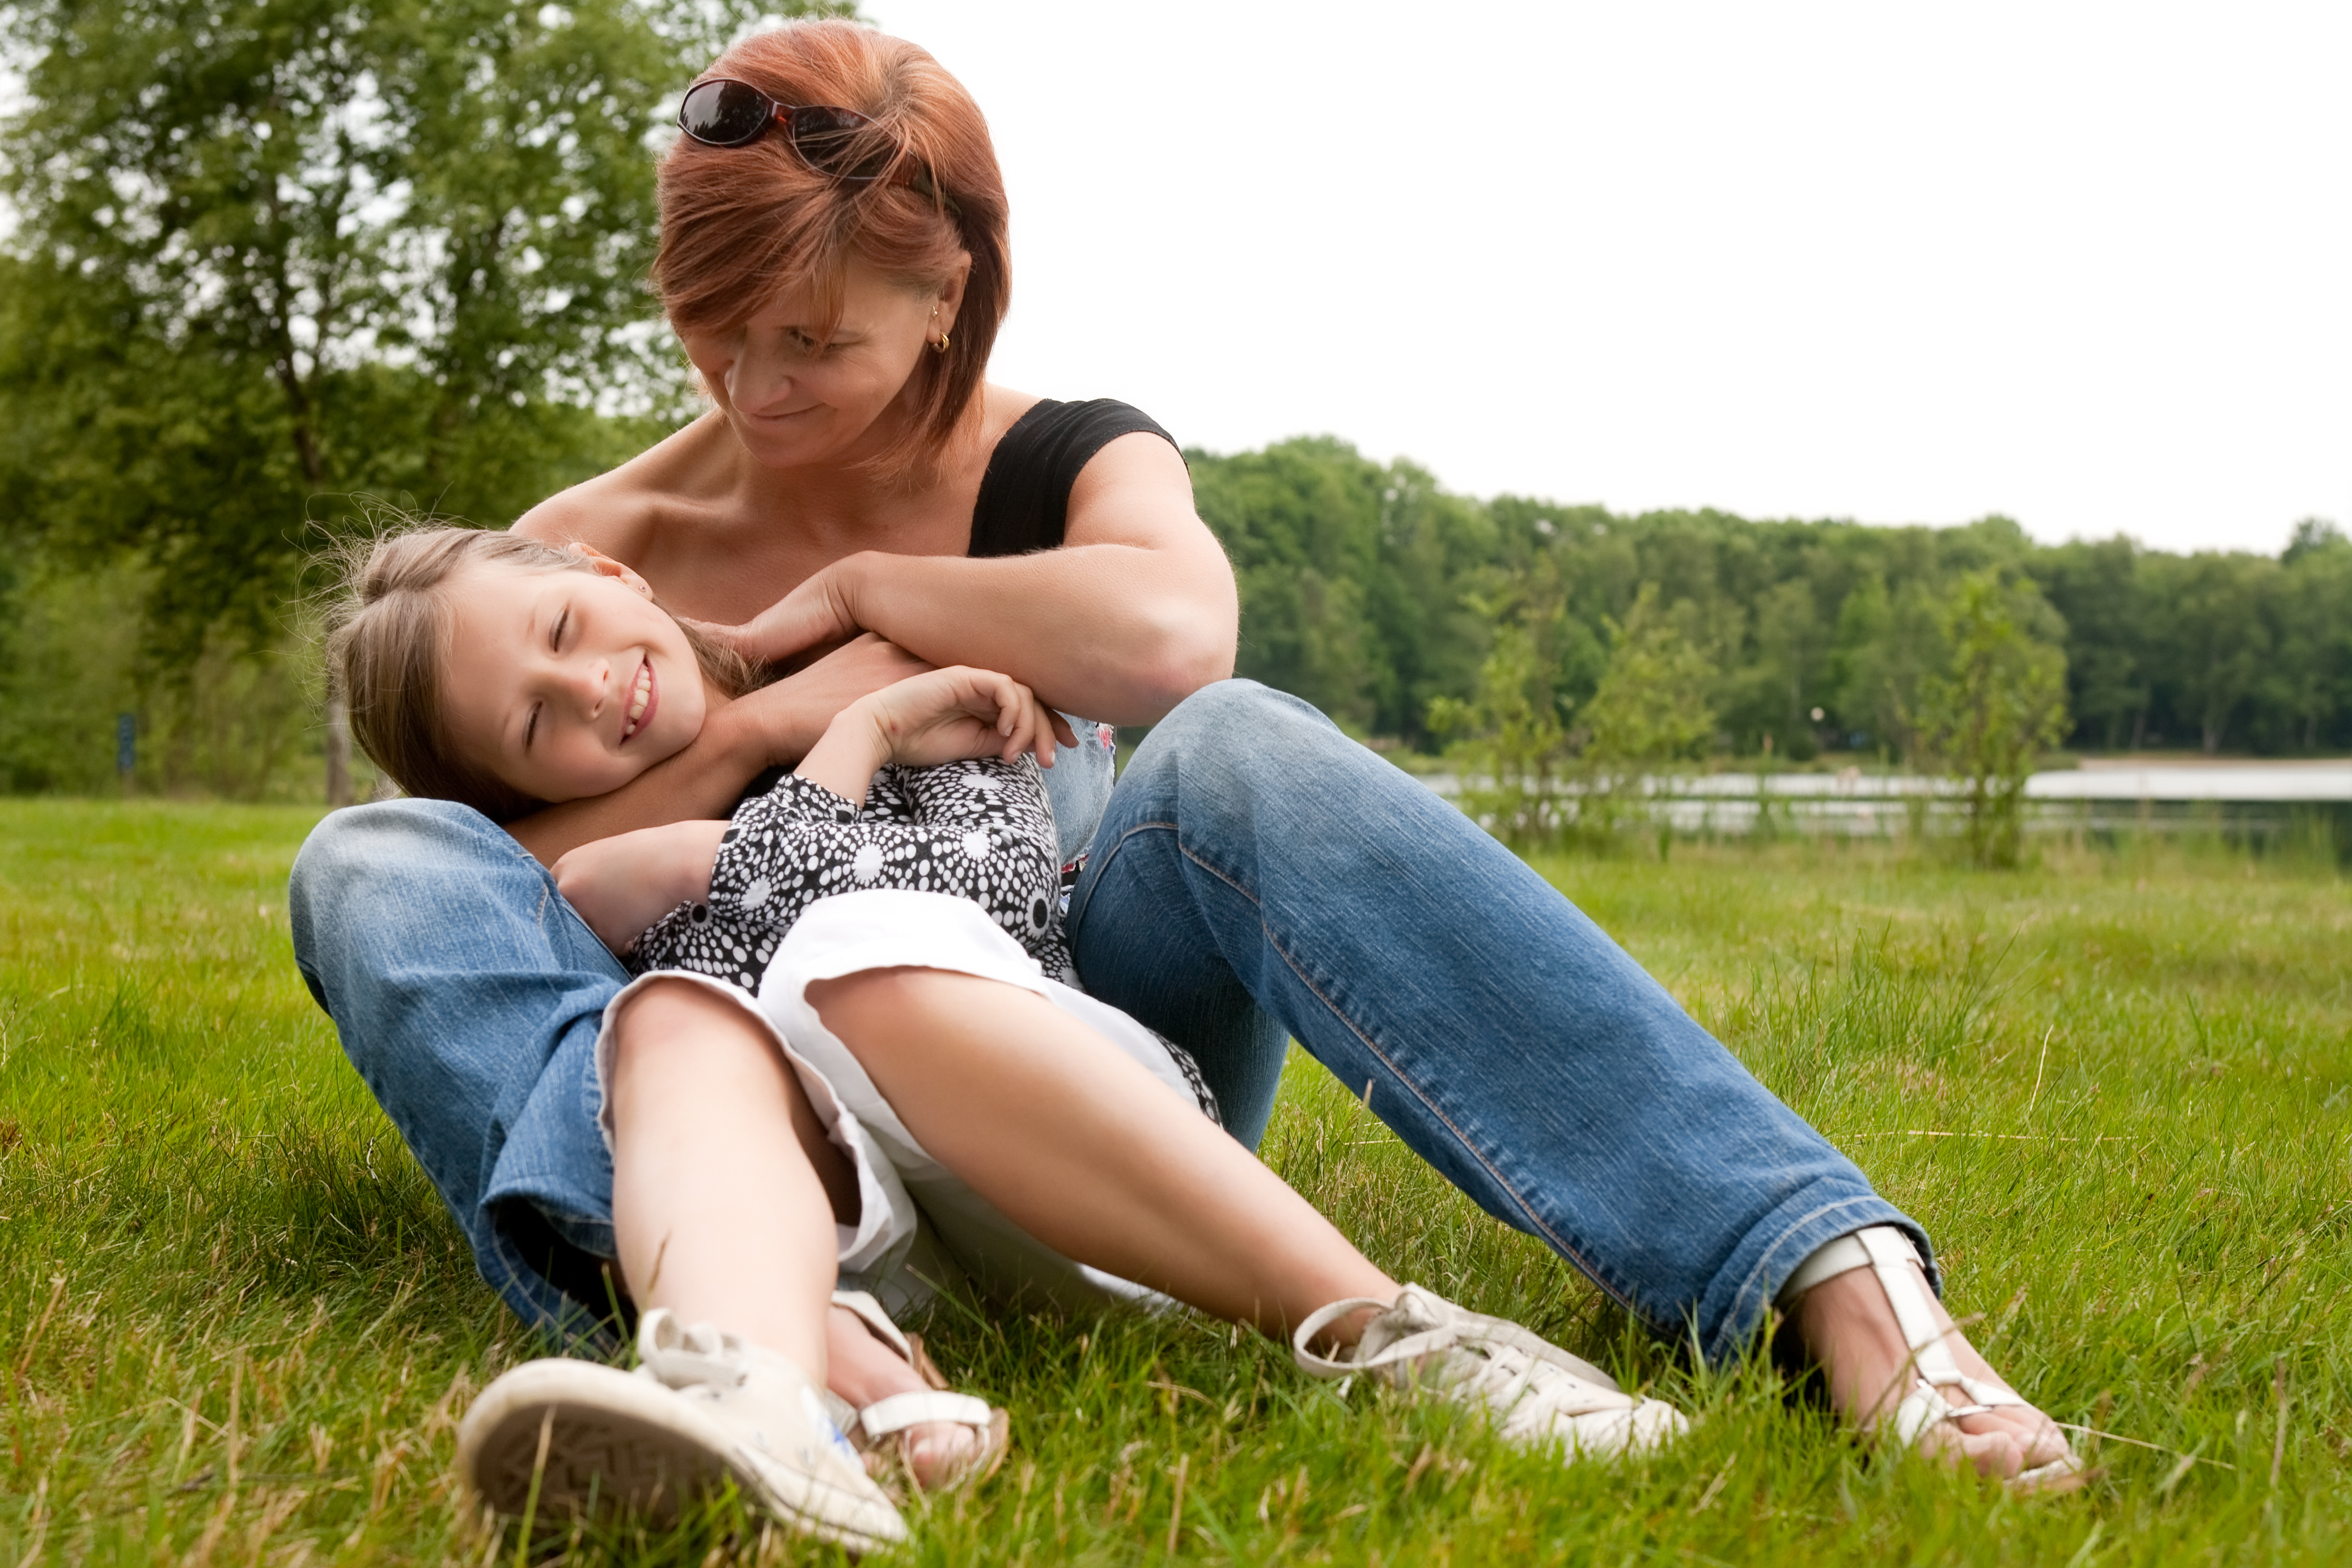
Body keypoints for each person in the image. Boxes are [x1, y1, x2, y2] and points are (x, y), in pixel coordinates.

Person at [286, 15, 2078, 1541]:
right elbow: (498, 881)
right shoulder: (590, 555)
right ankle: (763, 1338)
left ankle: (1833, 1284)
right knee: (369, 867)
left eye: (811, 337)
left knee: (1230, 749)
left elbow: (1164, 646)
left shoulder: (1069, 456)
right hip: (779, 1125)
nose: (749, 382)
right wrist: (769, 721)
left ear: (946, 296)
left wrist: (859, 606)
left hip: (1088, 1056)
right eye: (711, 323)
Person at [324, 525, 1686, 1550]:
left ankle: (1395, 1340)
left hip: (1064, 1129)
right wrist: (834, 740)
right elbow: (580, 897)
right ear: (508, 794)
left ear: (611, 576)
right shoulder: (614, 854)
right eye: (535, 726)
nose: (592, 692)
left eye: (568, 630)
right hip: (869, 1235)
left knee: (847, 952)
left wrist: (835, 747)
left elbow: (954, 905)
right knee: (673, 1022)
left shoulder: (950, 727)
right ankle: (763, 1398)